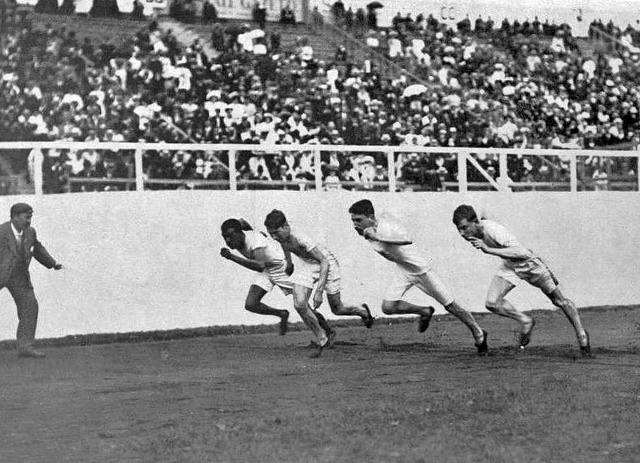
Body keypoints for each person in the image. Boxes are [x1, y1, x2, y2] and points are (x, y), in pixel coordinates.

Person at [348, 199, 488, 354]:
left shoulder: (386, 228)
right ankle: (424, 311)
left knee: (450, 305)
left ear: (371, 217)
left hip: (421, 270)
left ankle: (478, 332)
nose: (355, 224)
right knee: (388, 307)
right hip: (403, 269)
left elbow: (407, 239)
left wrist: (378, 237)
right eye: (353, 220)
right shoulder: (369, 230)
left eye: (359, 220)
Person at [452, 204, 591, 357]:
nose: (461, 233)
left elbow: (522, 252)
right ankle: (526, 321)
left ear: (475, 222)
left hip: (530, 265)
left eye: (464, 228)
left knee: (559, 301)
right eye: (459, 229)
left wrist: (488, 249)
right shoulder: (480, 228)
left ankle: (581, 334)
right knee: (492, 303)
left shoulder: (495, 231)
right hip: (511, 265)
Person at [220, 218, 330, 356]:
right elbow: (249, 231)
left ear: (240, 233)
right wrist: (244, 224)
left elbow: (259, 266)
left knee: (302, 305)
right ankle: (281, 314)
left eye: (231, 236)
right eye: (225, 237)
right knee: (250, 304)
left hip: (279, 268)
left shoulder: (256, 245)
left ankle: (327, 332)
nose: (228, 241)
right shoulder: (245, 234)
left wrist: (231, 257)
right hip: (266, 270)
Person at [264, 209, 374, 343]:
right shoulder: (281, 235)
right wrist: (289, 263)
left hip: (326, 263)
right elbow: (284, 245)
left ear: (286, 226)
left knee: (337, 309)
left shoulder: (301, 237)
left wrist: (319, 292)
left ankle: (362, 311)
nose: (274, 237)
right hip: (308, 264)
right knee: (299, 304)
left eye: (276, 233)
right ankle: (322, 338)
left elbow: (324, 262)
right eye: (271, 234)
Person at [0, 203, 62, 358]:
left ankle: (25, 347)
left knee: (30, 306)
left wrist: (53, 263)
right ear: (14, 217)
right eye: (26, 217)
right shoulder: (1, 231)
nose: (29, 221)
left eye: (30, 217)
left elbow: (38, 249)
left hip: (19, 277)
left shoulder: (30, 232)